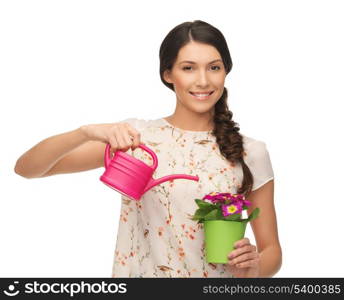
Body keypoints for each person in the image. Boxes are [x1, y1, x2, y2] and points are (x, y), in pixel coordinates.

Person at [14, 20, 282, 278]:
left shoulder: (250, 151)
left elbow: (272, 251)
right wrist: (85, 132)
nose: (203, 81)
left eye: (213, 68)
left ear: (225, 71)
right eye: (188, 68)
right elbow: (28, 169)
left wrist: (254, 267)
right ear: (168, 74)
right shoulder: (135, 139)